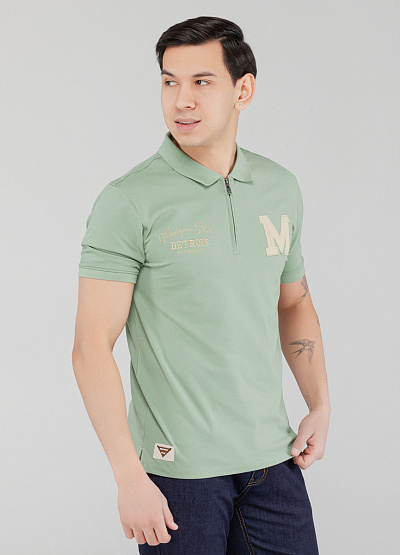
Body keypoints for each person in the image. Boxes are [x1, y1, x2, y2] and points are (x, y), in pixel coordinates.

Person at [72, 15, 330, 554]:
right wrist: (128, 476)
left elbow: (294, 302)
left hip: (273, 461)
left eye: (201, 82)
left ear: (243, 90)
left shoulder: (279, 188)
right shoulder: (129, 200)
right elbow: (91, 346)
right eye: (170, 82)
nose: (181, 100)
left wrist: (319, 403)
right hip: (178, 474)